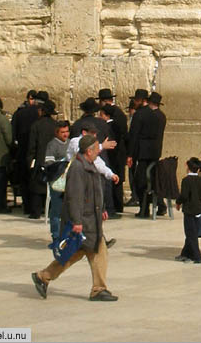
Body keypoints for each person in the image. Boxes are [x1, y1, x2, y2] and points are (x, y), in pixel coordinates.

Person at [31, 135, 118, 302]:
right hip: (84, 220)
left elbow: (94, 192)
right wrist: (77, 222)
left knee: (74, 254)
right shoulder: (78, 168)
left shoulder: (89, 165)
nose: (97, 153)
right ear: (88, 151)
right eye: (96, 150)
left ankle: (43, 276)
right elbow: (75, 197)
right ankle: (98, 289)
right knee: (98, 251)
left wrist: (102, 209)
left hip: (91, 218)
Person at [127, 89, 165, 217]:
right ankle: (160, 205)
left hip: (142, 153)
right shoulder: (161, 116)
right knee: (153, 180)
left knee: (141, 182)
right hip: (155, 152)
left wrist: (130, 154)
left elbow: (134, 135)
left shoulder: (140, 115)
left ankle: (144, 209)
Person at [98, 88, 128, 212]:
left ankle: (115, 205)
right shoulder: (119, 112)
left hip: (114, 151)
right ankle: (117, 205)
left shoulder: (114, 115)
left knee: (115, 177)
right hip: (119, 151)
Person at [27, 100, 58, 219]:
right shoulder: (56, 125)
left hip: (39, 158)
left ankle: (36, 212)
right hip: (52, 158)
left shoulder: (36, 125)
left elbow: (32, 145)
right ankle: (50, 210)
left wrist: (29, 159)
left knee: (37, 185)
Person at [11, 89, 39, 214]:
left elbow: (13, 133)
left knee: (24, 180)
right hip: (35, 152)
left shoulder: (19, 113)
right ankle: (36, 207)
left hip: (23, 151)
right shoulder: (39, 114)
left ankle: (27, 206)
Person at [175, 157, 201, 264]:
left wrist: (178, 202)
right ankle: (185, 253)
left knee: (190, 234)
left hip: (189, 211)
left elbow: (184, 195)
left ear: (187, 167)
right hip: (198, 209)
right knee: (192, 232)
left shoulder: (186, 181)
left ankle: (197, 257)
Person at [44, 120, 71, 241]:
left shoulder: (71, 143)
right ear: (57, 133)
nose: (65, 134)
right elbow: (48, 163)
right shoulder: (52, 145)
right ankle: (55, 235)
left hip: (69, 181)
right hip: (57, 181)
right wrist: (62, 163)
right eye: (62, 132)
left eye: (67, 131)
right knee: (56, 209)